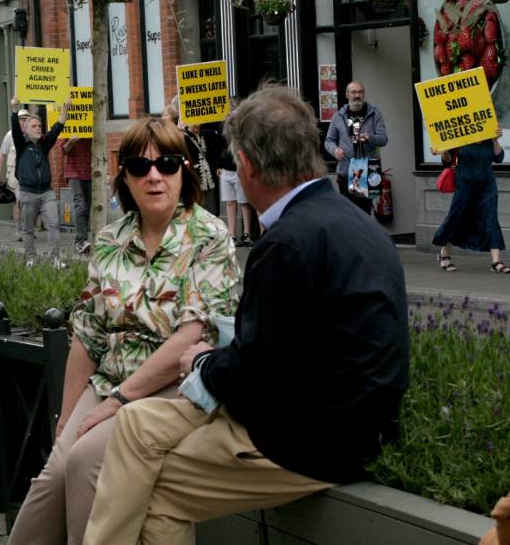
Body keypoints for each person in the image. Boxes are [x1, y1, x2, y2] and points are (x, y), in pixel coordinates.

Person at [83, 85, 409, 545]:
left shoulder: (284, 245)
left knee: (157, 491)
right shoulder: (358, 223)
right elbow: (280, 352)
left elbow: (252, 374)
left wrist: (199, 360)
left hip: (313, 441)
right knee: (137, 424)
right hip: (331, 415)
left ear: (249, 167)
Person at [8, 117, 240, 545]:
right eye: (139, 167)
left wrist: (119, 401)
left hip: (175, 389)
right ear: (125, 178)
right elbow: (88, 335)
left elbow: (192, 335)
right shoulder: (110, 241)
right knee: (55, 471)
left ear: (184, 171)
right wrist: (65, 419)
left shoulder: (209, 236)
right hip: (109, 381)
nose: (154, 176)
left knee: (85, 463)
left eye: (167, 164)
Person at [432, 127, 510, 274]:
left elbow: (499, 158)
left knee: (491, 219)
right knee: (457, 218)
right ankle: (444, 254)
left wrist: (495, 140)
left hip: (487, 185)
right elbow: (447, 162)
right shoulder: (459, 135)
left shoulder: (487, 135)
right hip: (465, 184)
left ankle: (496, 261)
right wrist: (444, 150)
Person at [10, 97, 69, 267]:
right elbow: (15, 130)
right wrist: (15, 110)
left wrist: (64, 110)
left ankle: (54, 259)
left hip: (46, 193)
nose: (38, 129)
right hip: (28, 193)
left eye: (39, 126)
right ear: (26, 130)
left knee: (54, 224)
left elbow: (57, 129)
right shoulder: (21, 144)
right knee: (28, 229)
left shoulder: (44, 144)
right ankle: (30, 259)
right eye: (34, 126)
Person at [324, 80, 388, 215]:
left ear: (364, 94)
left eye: (360, 92)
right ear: (347, 95)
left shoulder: (374, 113)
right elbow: (329, 141)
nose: (357, 95)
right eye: (354, 92)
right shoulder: (338, 116)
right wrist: (334, 150)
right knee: (348, 214)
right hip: (345, 173)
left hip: (366, 172)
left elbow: (383, 139)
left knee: (364, 213)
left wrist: (370, 138)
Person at [0, 108, 31, 241]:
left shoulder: (32, 134)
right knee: (17, 202)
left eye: (26, 120)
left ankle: (29, 228)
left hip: (29, 174)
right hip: (14, 175)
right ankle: (18, 231)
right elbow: (1, 155)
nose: (24, 122)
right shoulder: (10, 136)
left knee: (30, 203)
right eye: (21, 120)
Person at [218, 141, 255, 247]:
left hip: (239, 169)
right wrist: (219, 164)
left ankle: (247, 234)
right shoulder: (222, 129)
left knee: (244, 202)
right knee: (229, 202)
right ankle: (232, 234)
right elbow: (219, 147)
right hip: (225, 170)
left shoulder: (241, 130)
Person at [59, 135, 92, 254]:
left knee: (87, 208)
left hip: (90, 172)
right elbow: (62, 150)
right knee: (80, 206)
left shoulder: (91, 126)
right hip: (74, 173)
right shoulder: (70, 127)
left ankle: (82, 241)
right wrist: (71, 141)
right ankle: (81, 241)